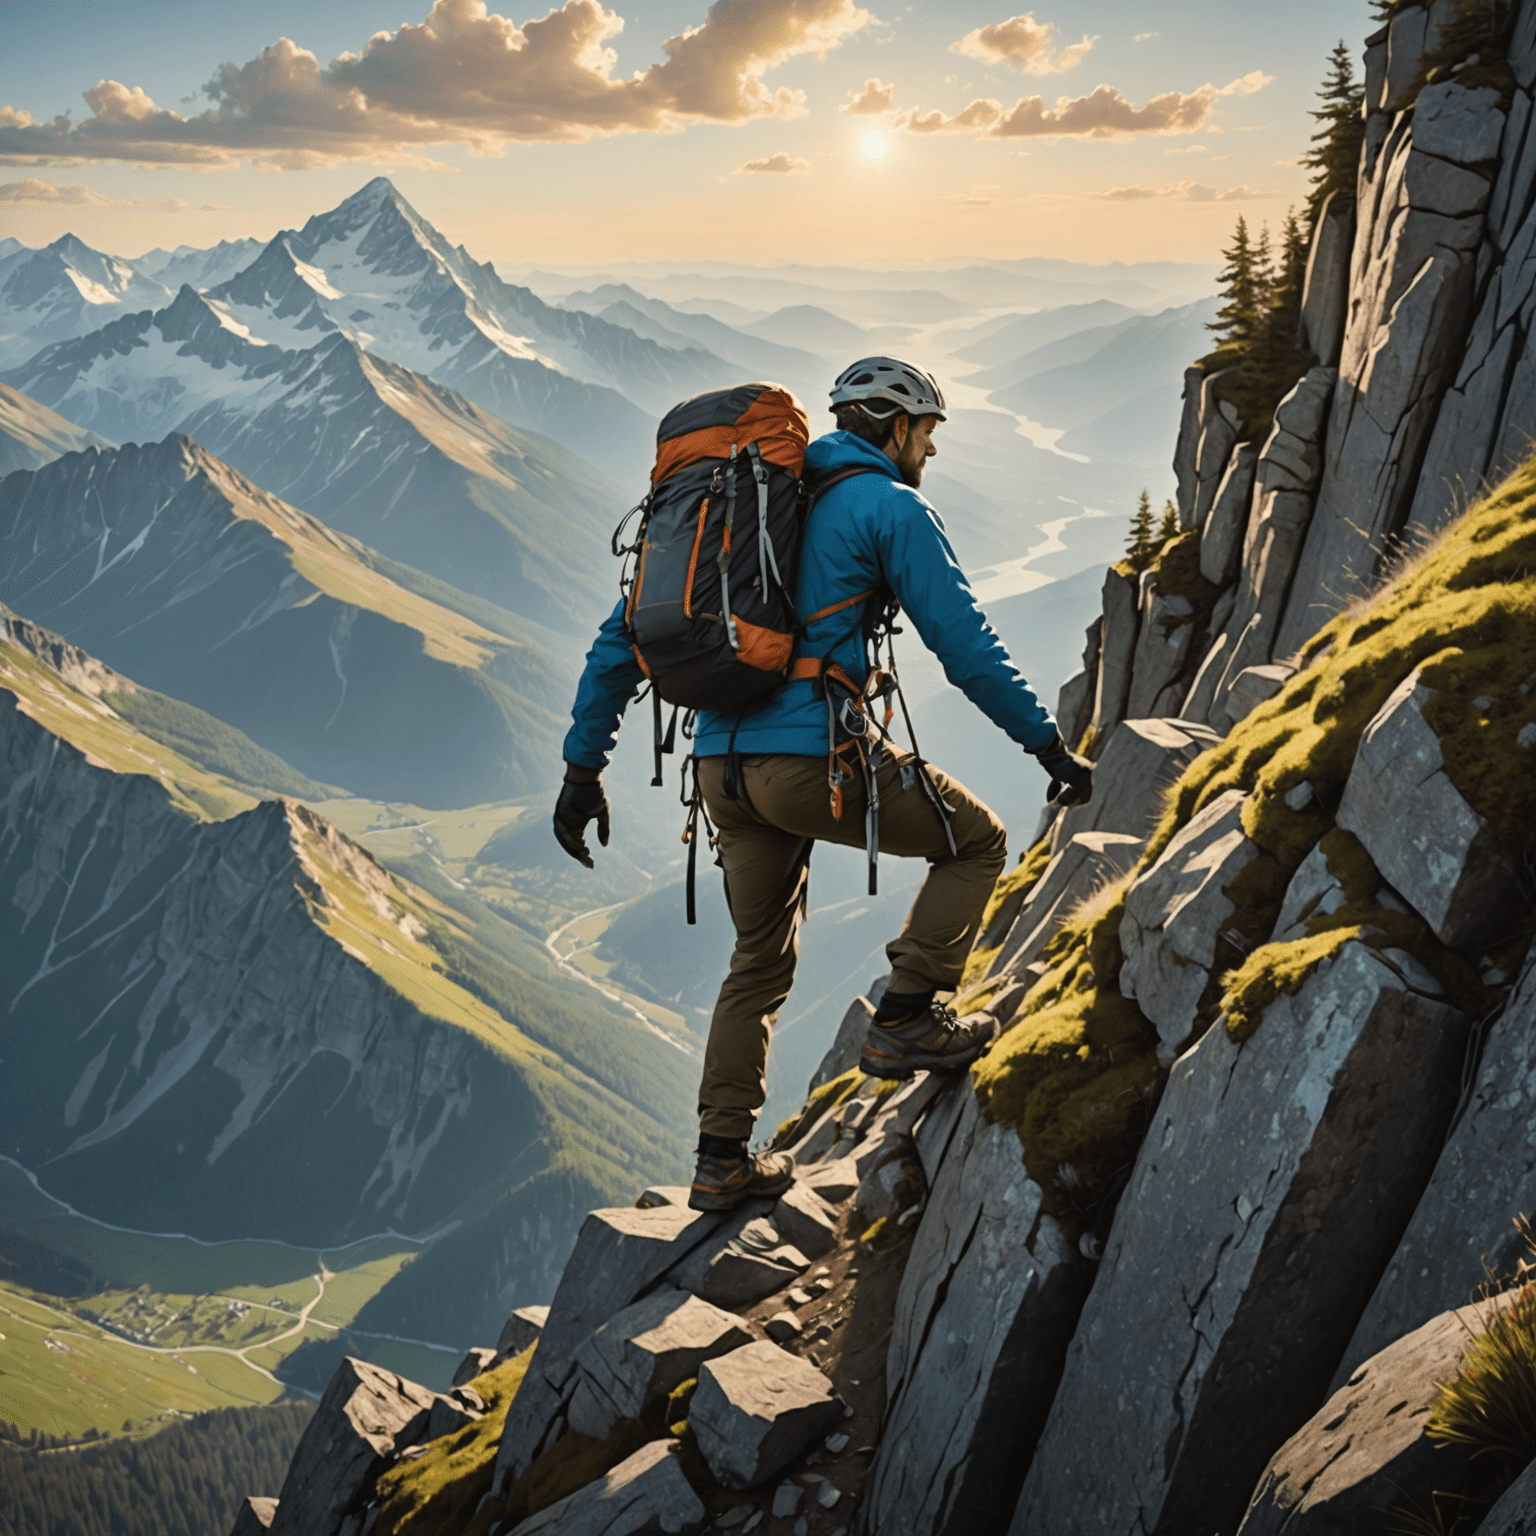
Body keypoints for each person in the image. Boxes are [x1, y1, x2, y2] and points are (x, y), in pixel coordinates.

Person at [553, 357, 1093, 1211]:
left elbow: (618, 643)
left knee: (758, 960)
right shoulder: (889, 507)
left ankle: (721, 1159)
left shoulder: (756, 504)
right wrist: (1047, 746)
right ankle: (910, 1012)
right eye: (929, 433)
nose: (932, 452)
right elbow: (967, 648)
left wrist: (582, 772)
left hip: (719, 771)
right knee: (978, 840)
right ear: (896, 427)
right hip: (811, 762)